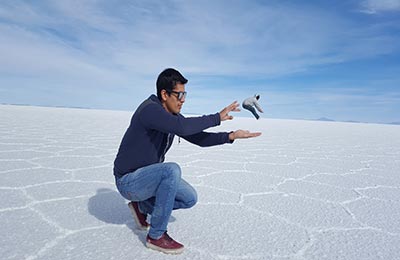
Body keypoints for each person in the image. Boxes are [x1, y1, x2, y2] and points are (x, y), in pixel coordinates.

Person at [113, 68, 261, 254]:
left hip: (147, 178)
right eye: (179, 94)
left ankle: (141, 206)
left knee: (189, 198)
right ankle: (156, 235)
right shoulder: (150, 110)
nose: (183, 99)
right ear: (164, 94)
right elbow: (182, 127)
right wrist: (217, 117)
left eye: (185, 94)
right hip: (129, 181)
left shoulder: (171, 117)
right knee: (171, 170)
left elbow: (198, 138)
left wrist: (231, 136)